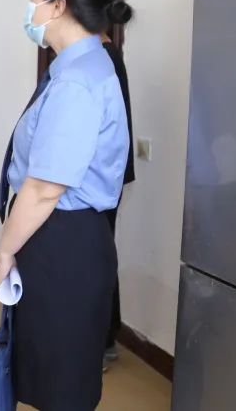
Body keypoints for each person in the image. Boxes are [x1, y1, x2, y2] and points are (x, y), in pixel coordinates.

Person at [0, 0, 133, 410]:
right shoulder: (81, 67)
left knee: (62, 383)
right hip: (63, 237)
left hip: (62, 242)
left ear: (57, 6)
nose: (28, 8)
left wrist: (5, 250)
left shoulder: (77, 81)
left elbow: (44, 188)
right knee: (55, 374)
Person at [101, 32, 135, 369]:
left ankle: (100, 338)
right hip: (103, 175)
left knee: (94, 257)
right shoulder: (104, 55)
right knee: (100, 253)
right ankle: (105, 335)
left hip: (97, 178)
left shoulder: (101, 59)